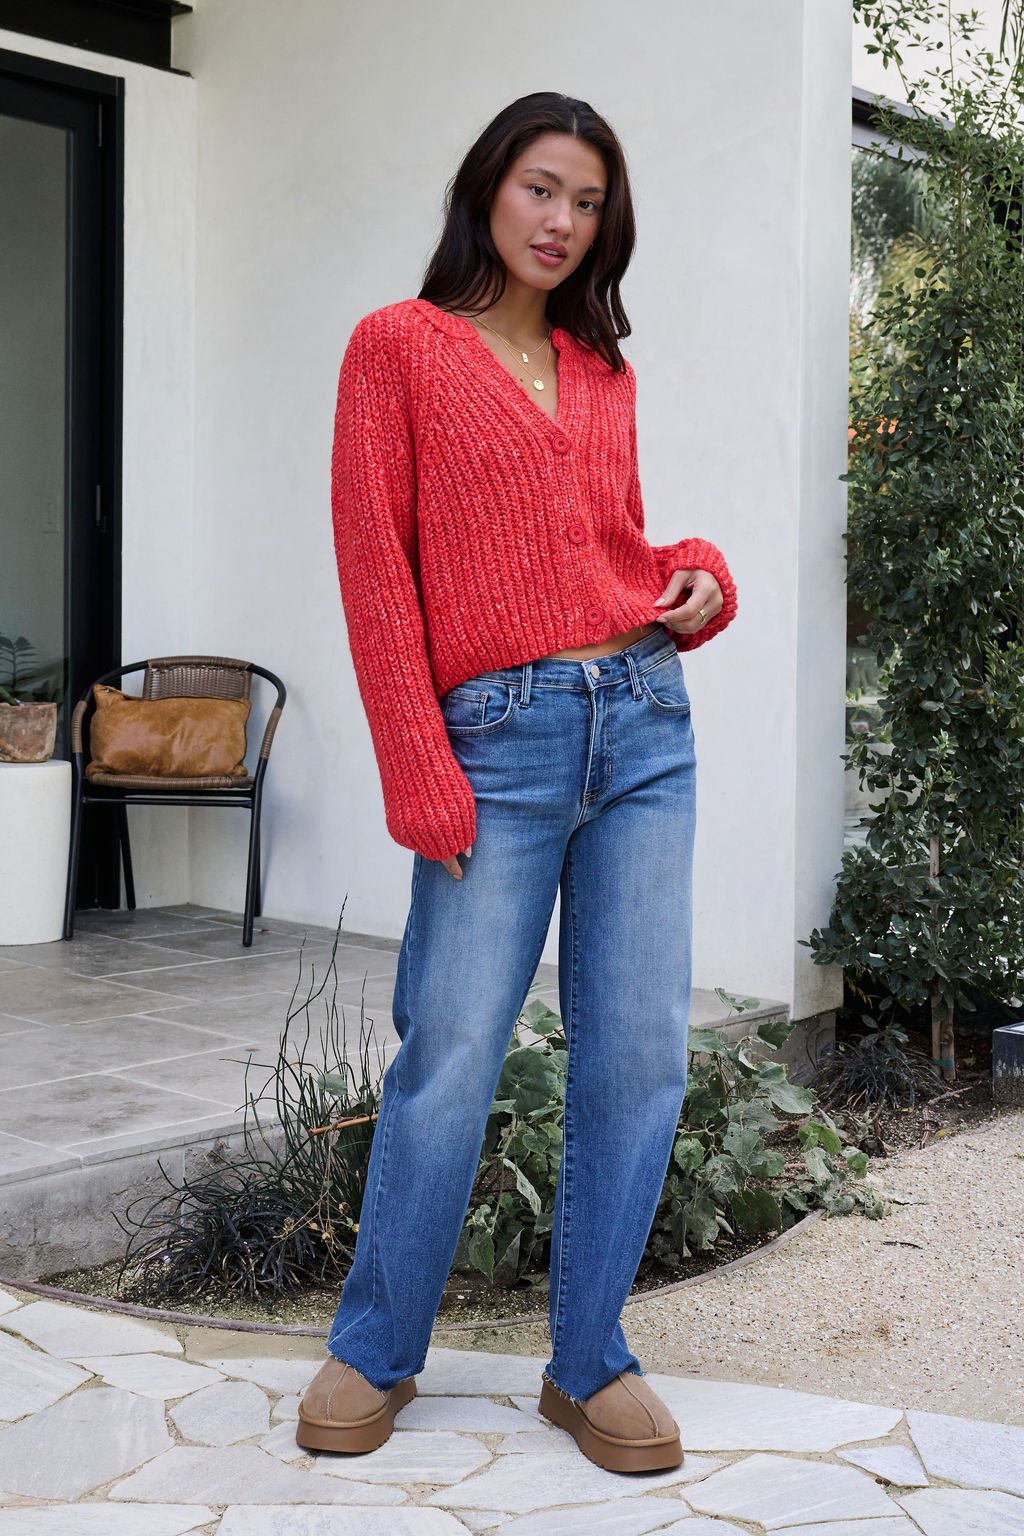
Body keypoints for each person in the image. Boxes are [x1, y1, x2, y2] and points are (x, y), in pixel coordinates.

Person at [297, 90, 738, 1475]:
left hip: (645, 727)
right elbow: (379, 573)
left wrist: (698, 575)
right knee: (449, 1054)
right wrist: (418, 765)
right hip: (502, 742)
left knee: (640, 1056)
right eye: (543, 188)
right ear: (490, 187)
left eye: (589, 202)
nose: (563, 221)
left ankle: (589, 1357)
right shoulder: (398, 349)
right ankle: (376, 1347)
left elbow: (609, 543)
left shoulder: (600, 367)